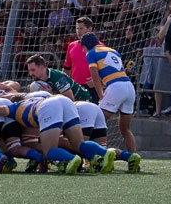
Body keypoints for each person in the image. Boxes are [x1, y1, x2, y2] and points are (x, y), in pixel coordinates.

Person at [81, 32, 139, 160]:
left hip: (115, 88)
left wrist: (101, 94)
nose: (83, 50)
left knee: (96, 123)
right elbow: (114, 72)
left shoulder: (91, 53)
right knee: (125, 129)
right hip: (129, 87)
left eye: (83, 48)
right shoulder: (113, 50)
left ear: (86, 46)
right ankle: (134, 159)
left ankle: (93, 158)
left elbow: (95, 76)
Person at [26, 54, 91, 102]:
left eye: (33, 70)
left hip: (82, 100)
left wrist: (50, 95)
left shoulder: (57, 77)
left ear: (42, 67)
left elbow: (70, 98)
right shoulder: (38, 78)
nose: (30, 74)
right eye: (29, 70)